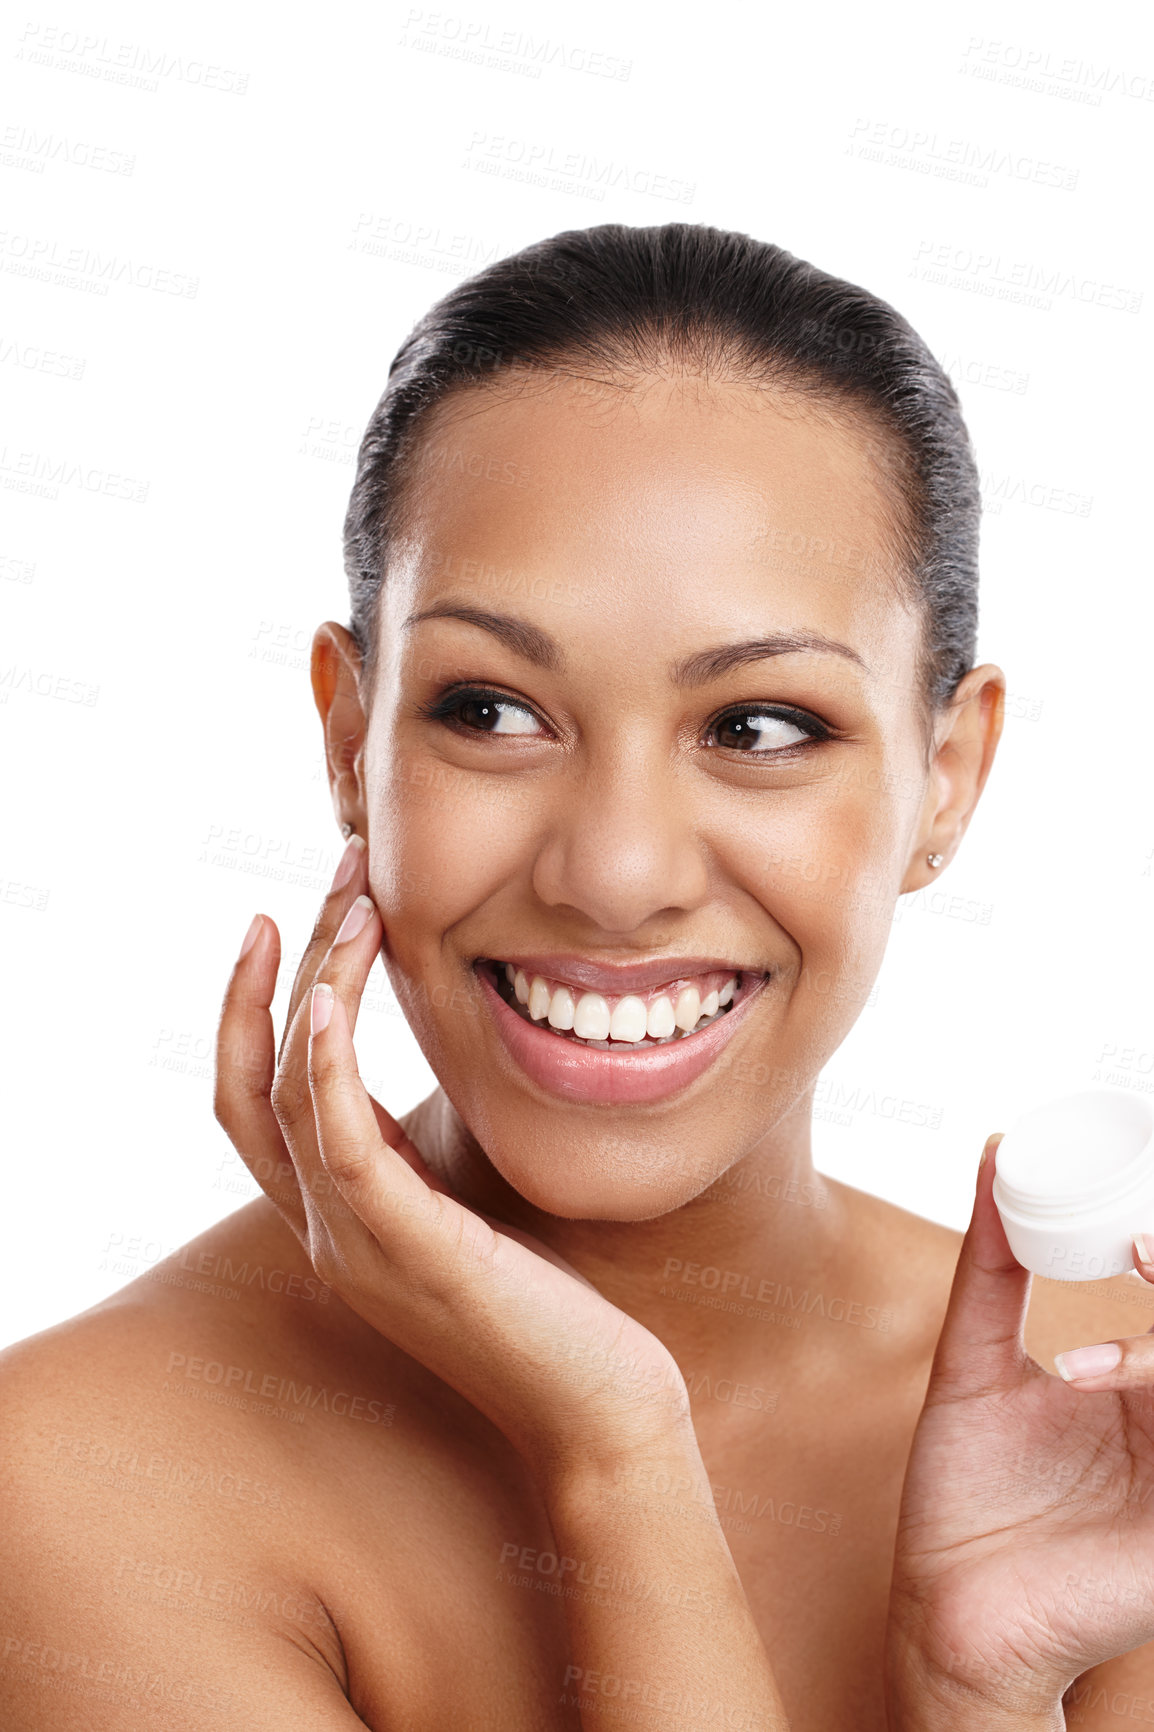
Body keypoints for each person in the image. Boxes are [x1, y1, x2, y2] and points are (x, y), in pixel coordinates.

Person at [3, 222, 1153, 1731]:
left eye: (756, 727)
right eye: (491, 709)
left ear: (947, 775)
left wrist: (980, 1693)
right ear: (351, 742)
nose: (614, 873)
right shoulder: (81, 1477)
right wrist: (615, 1450)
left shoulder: (1089, 1438)